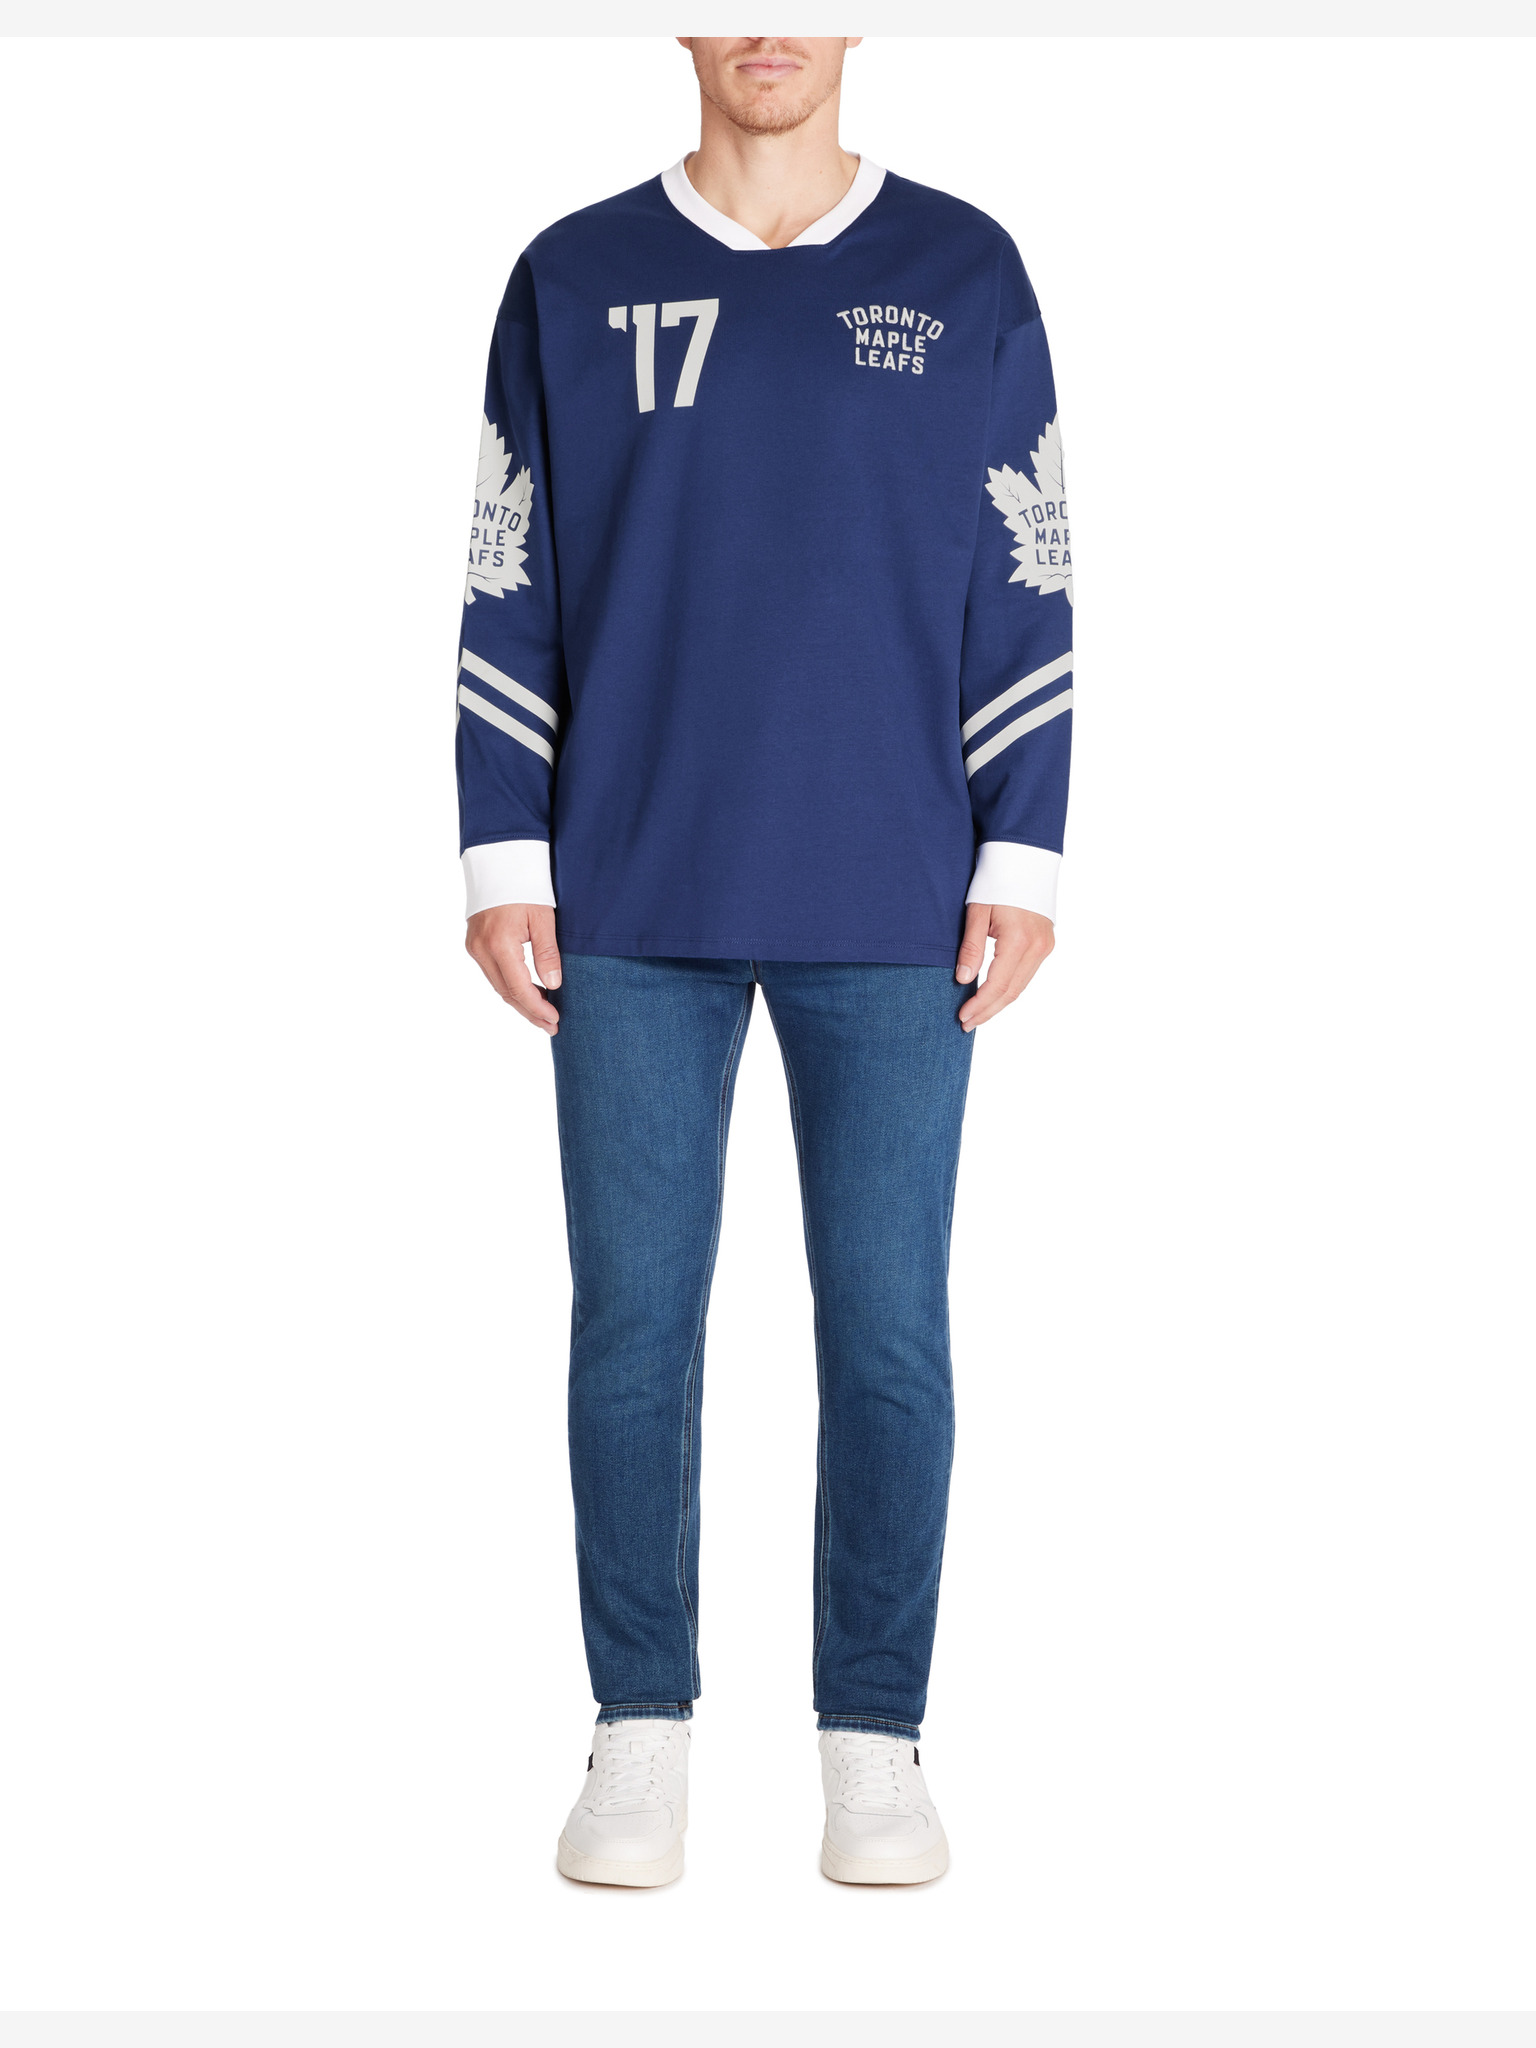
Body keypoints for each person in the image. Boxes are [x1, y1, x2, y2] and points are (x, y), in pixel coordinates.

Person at [457, 36, 1072, 1887]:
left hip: (897, 892)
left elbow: (1028, 571)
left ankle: (875, 1740)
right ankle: (637, 1729)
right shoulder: (571, 275)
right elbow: (506, 571)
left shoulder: (966, 270)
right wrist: (502, 846)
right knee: (631, 1330)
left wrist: (1024, 844)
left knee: (888, 1331)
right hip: (625, 886)